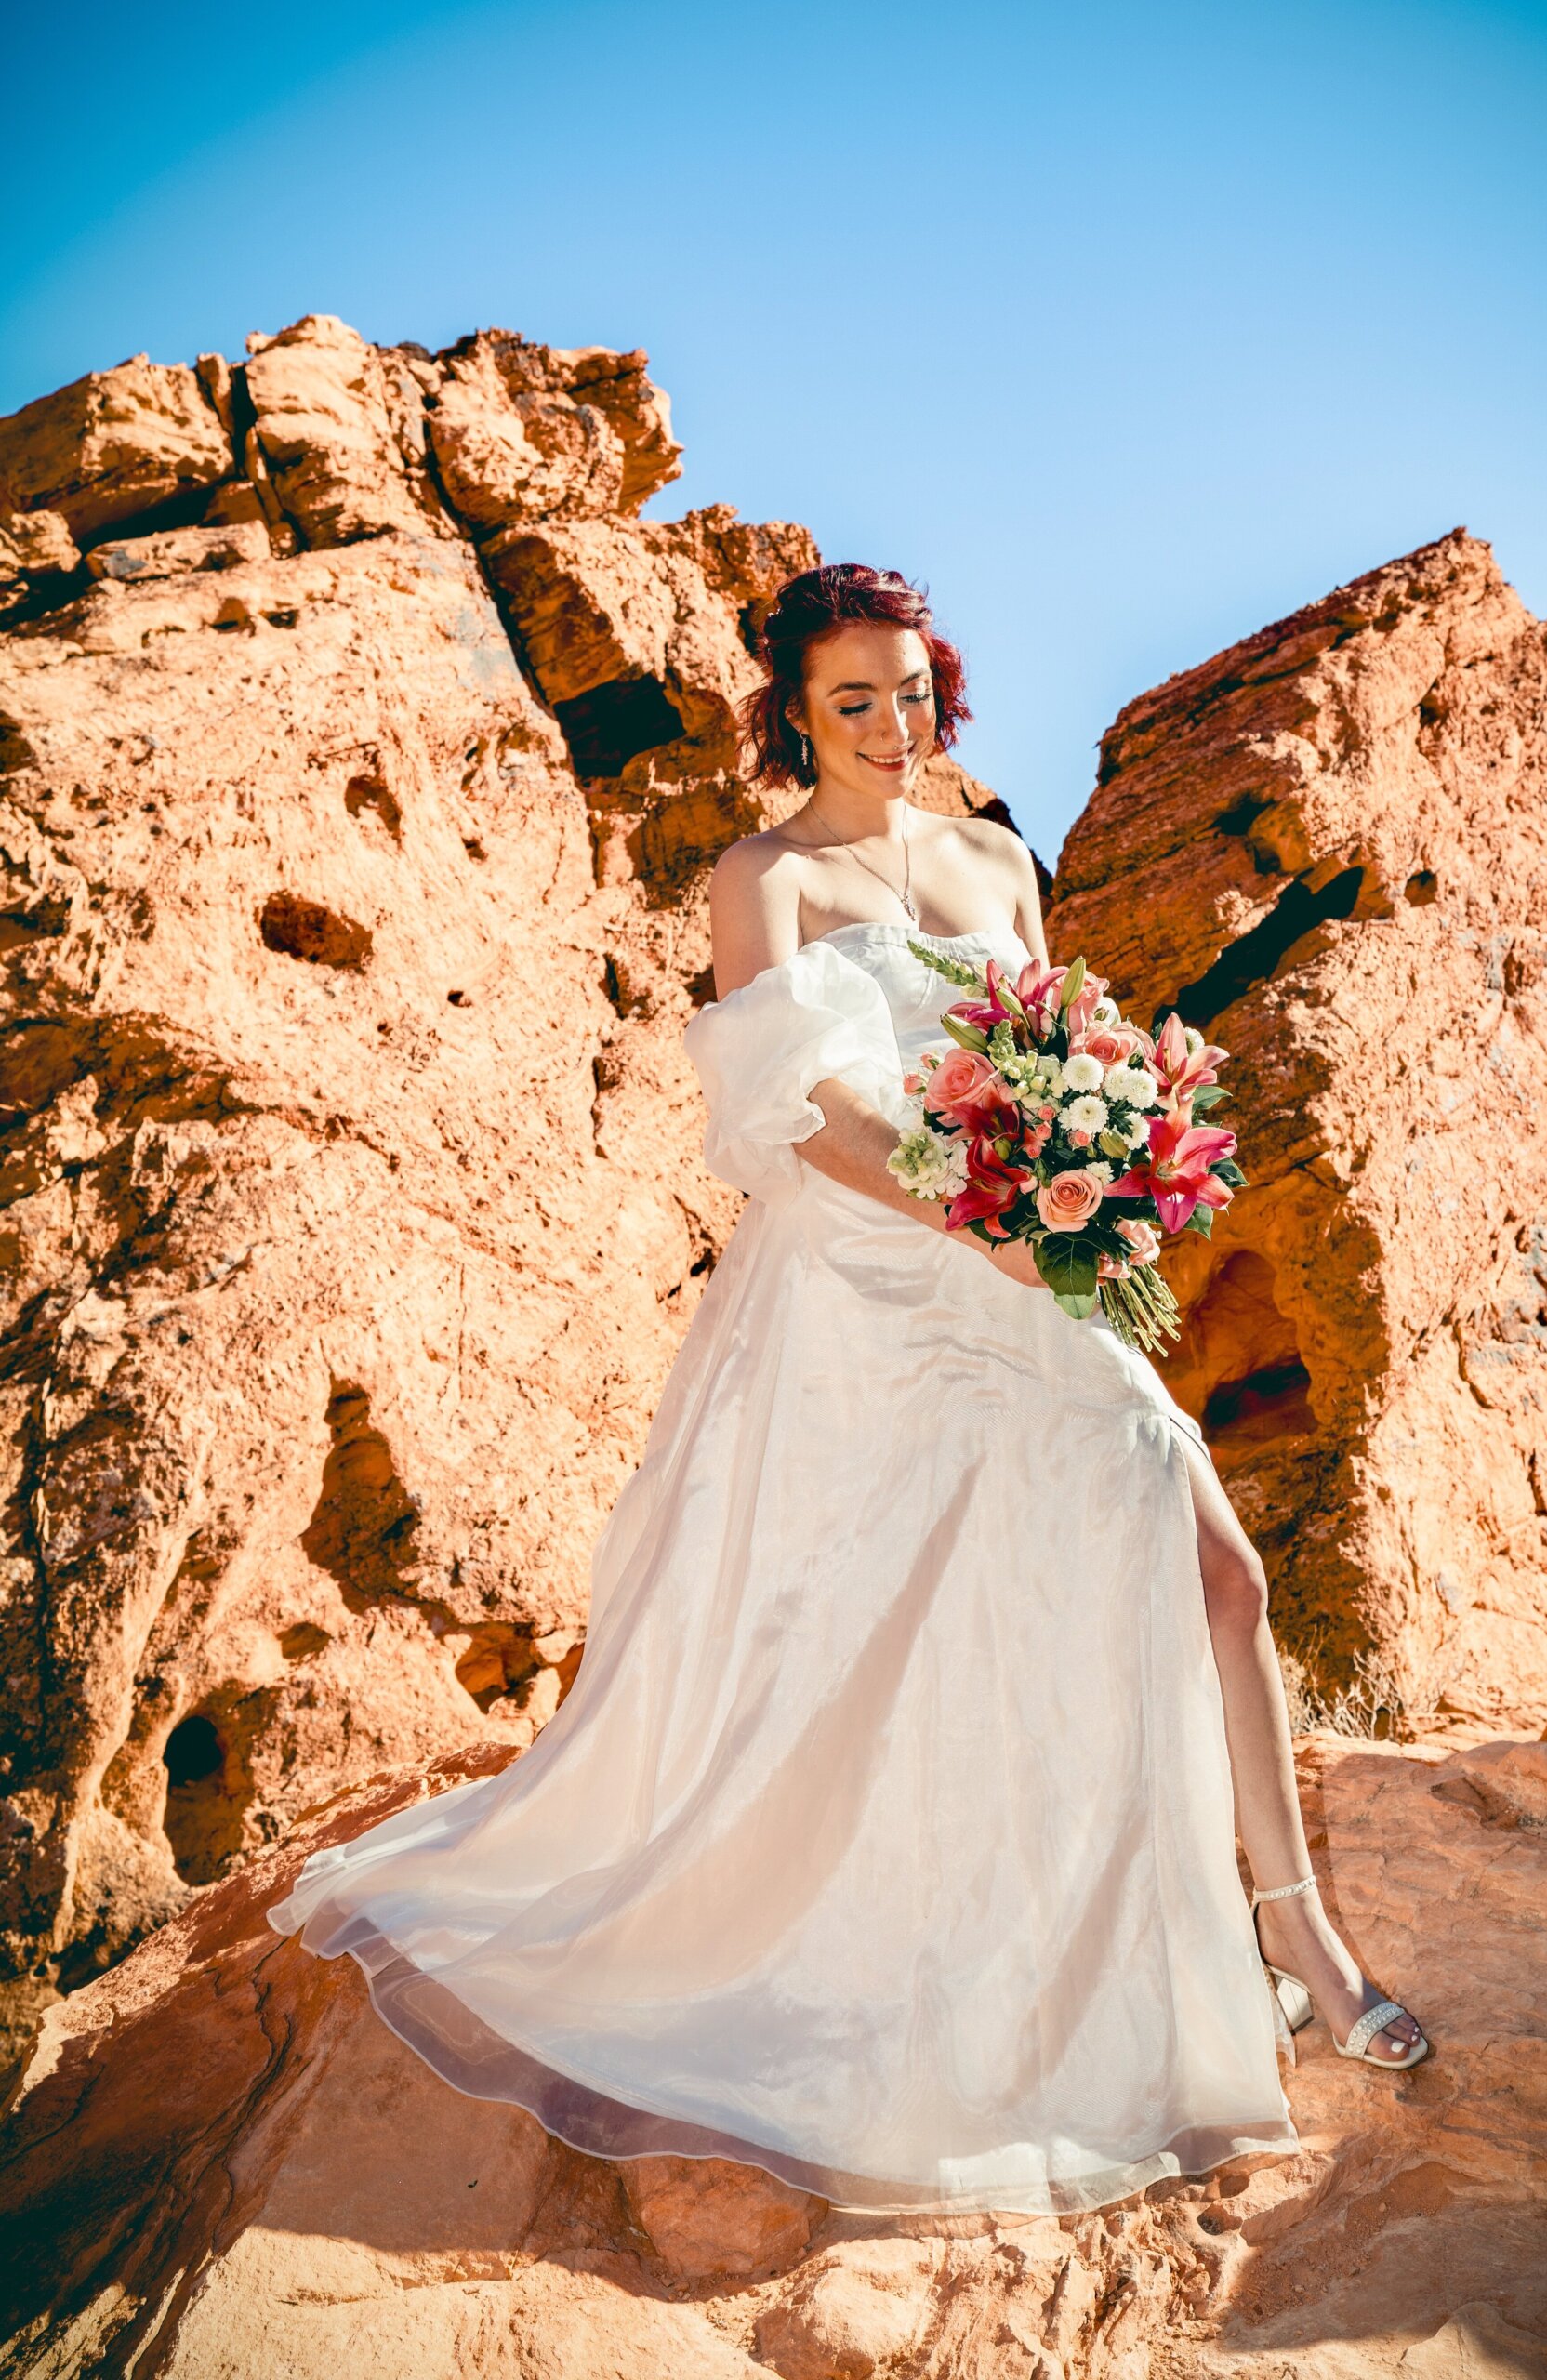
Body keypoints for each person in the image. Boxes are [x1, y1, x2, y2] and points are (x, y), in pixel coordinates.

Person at [270, 562, 1425, 2219]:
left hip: (1041, 1279)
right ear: (795, 718)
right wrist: (988, 1213)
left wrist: (1096, 1178)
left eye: (913, 692)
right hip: (873, 1299)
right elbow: (799, 1112)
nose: (895, 728)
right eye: (853, 703)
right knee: (899, 1639)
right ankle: (931, 1957)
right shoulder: (769, 879)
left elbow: (1048, 1059)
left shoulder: (996, 859)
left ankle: (1291, 1926)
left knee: (1220, 1577)